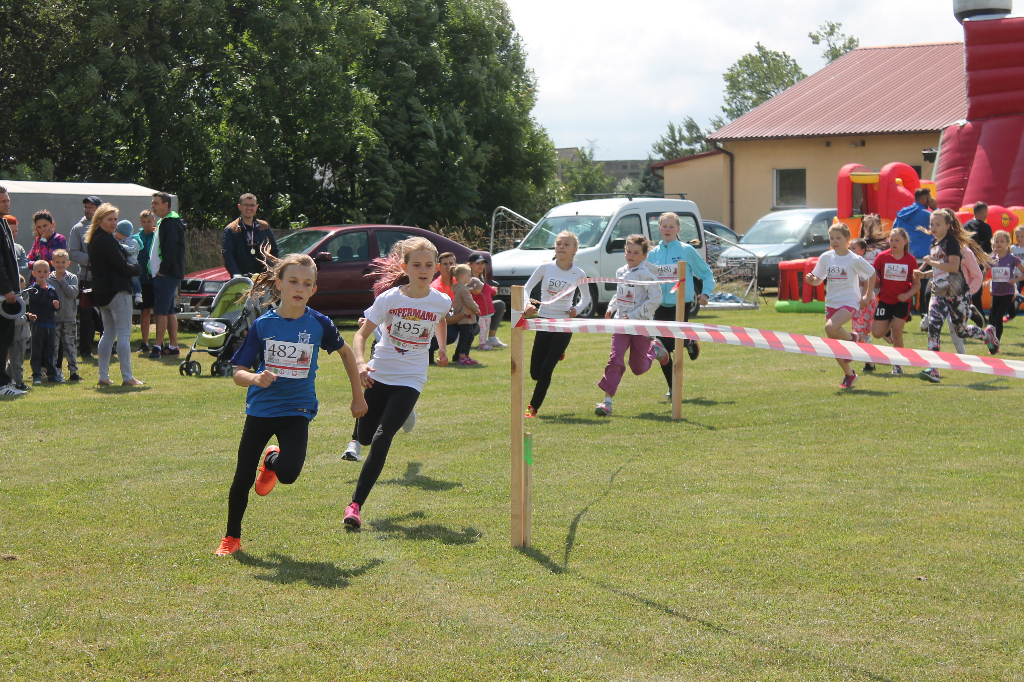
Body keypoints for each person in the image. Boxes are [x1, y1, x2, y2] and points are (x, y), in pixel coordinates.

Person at [214, 252, 367, 556]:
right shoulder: (262, 325)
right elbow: (238, 373)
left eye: (307, 283)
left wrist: (358, 396)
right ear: (279, 284)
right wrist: (256, 379)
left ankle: (272, 461)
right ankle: (232, 538)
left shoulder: (319, 323)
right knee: (243, 475)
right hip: (261, 410)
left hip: (297, 411)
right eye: (293, 281)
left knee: (289, 474)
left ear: (313, 290)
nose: (299, 288)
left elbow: (347, 354)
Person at [342, 237, 451, 530]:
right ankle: (404, 413)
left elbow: (441, 319)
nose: (423, 270)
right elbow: (360, 336)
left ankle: (355, 506)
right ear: (405, 266)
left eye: (429, 265)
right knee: (364, 436)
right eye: (417, 265)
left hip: (411, 379)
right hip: (379, 375)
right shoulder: (390, 298)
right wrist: (362, 364)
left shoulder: (441, 300)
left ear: (437, 268)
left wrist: (441, 348)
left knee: (381, 438)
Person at [915, 209, 998, 383]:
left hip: (957, 293)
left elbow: (953, 267)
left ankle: (987, 336)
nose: (933, 227)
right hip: (939, 293)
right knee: (933, 327)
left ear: (947, 225)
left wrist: (930, 262)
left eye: (938, 224)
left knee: (961, 330)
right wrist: (923, 275)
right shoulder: (934, 244)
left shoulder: (952, 243)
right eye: (932, 224)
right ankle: (934, 369)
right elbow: (940, 269)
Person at [594, 234, 667, 416]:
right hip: (621, 324)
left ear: (644, 255)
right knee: (615, 357)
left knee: (638, 368)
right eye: (628, 251)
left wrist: (634, 315)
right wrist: (611, 309)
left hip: (641, 326)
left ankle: (655, 349)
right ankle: (607, 402)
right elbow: (620, 294)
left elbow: (656, 299)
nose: (631, 255)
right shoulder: (620, 272)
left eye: (636, 252)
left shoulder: (647, 275)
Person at [522, 231, 591, 417]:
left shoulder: (579, 274)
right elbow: (526, 289)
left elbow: (586, 298)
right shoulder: (545, 268)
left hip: (564, 324)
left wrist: (576, 309)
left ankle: (533, 407)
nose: (561, 247)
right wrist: (526, 304)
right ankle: (558, 352)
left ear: (574, 250)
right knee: (535, 373)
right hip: (544, 321)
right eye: (559, 243)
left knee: (546, 369)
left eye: (566, 244)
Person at [646, 211, 714, 397]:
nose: (668, 229)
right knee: (662, 349)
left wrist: (705, 293)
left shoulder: (686, 250)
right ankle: (672, 387)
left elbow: (706, 273)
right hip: (659, 306)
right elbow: (646, 280)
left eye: (671, 226)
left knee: (670, 343)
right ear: (659, 228)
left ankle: (688, 340)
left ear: (678, 229)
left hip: (680, 304)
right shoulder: (653, 254)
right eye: (664, 226)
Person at [805, 223, 876, 389]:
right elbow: (818, 280)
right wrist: (811, 280)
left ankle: (854, 339)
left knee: (830, 327)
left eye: (838, 238)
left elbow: (871, 273)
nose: (834, 241)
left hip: (849, 301)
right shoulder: (826, 257)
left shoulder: (854, 259)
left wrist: (866, 296)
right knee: (834, 342)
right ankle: (849, 375)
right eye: (832, 238)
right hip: (832, 302)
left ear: (847, 239)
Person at [86, 203, 144, 387]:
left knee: (108, 333)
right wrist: (138, 268)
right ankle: (127, 377)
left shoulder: (94, 239)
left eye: (115, 219)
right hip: (117, 292)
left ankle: (103, 376)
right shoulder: (107, 240)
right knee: (123, 334)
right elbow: (122, 267)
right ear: (99, 220)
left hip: (103, 294)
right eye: (109, 219)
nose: (113, 223)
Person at [870, 228, 920, 375]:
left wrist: (907, 295)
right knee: (877, 333)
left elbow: (917, 284)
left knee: (898, 333)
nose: (893, 243)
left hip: (902, 301)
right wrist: (873, 283)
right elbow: (872, 274)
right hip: (885, 300)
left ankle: (898, 365)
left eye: (897, 240)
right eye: (891, 240)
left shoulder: (910, 260)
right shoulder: (882, 257)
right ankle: (889, 325)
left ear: (905, 242)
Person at [149, 192, 186, 358]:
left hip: (167, 274)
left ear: (166, 204)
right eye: (152, 203)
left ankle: (157, 346)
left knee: (161, 311)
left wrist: (163, 271)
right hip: (166, 273)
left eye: (156, 203)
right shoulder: (165, 221)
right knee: (169, 310)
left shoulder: (170, 223)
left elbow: (170, 250)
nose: (153, 206)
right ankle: (173, 346)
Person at [0, 188, 28, 396]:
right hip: (3, 293)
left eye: (7, 200)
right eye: (2, 201)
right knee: (2, 337)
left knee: (6, 336)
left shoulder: (3, 223)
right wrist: (7, 289)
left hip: (8, 290)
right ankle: (2, 385)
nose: (6, 204)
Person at [67, 196, 102, 359]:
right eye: (86, 207)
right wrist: (91, 261)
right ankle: (85, 349)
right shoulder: (78, 229)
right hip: (86, 277)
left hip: (104, 277)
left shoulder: (105, 226)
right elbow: (72, 251)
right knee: (86, 314)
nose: (87, 210)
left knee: (107, 311)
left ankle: (108, 344)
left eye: (91, 207)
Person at [222, 193, 279, 277]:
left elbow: (274, 251)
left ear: (256, 207)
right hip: (243, 278)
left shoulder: (264, 226)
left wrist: (273, 270)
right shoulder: (232, 229)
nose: (249, 208)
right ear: (239, 207)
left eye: (252, 205)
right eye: (246, 205)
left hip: (264, 278)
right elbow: (227, 255)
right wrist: (236, 275)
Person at [25, 260, 61, 385]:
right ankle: (36, 375)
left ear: (49, 273)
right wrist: (42, 288)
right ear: (34, 273)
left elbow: (54, 306)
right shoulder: (33, 289)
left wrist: (56, 306)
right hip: (38, 324)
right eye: (39, 271)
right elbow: (39, 301)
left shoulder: (52, 289)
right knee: (36, 350)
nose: (42, 274)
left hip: (50, 324)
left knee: (50, 350)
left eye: (45, 272)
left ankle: (52, 374)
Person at [986, 230, 1024, 342]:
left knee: (998, 317)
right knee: (991, 317)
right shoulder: (992, 258)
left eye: (1002, 241)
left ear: (1008, 243)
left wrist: (1015, 280)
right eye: (996, 241)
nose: (999, 243)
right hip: (996, 292)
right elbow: (985, 272)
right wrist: (984, 281)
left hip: (1008, 292)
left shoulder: (1012, 258)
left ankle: (996, 342)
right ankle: (989, 338)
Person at [49, 249, 81, 382]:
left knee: (70, 345)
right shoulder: (49, 279)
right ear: (52, 263)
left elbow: (73, 293)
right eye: (57, 262)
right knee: (54, 346)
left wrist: (62, 281)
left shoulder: (72, 278)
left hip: (69, 317)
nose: (60, 265)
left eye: (63, 262)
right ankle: (55, 371)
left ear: (68, 263)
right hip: (54, 319)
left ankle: (73, 372)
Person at [428, 252, 463, 363]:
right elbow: (440, 318)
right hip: (435, 321)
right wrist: (463, 314)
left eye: (451, 263)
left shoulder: (460, 282)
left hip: (453, 316)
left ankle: (461, 356)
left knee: (471, 324)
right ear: (439, 267)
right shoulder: (435, 287)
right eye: (445, 264)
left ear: (456, 265)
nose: (448, 267)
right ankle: (428, 349)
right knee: (451, 335)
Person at [963, 202, 994, 325]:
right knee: (977, 288)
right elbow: (988, 248)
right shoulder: (986, 227)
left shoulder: (965, 225)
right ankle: (979, 316)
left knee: (965, 286)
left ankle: (969, 313)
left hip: (965, 261)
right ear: (982, 212)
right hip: (978, 261)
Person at [467, 253, 506, 348]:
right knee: (480, 328)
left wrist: (490, 290)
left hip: (483, 311)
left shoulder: (481, 277)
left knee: (500, 304)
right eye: (478, 263)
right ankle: (462, 337)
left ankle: (491, 339)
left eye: (483, 263)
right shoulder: (466, 277)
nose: (481, 266)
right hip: (471, 312)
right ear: (470, 264)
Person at [134, 210, 158, 352]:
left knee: (159, 311)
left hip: (156, 278)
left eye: (149, 221)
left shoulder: (158, 236)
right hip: (142, 280)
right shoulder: (136, 238)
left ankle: (159, 342)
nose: (147, 224)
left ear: (153, 221)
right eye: (144, 222)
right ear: (140, 223)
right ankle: (144, 343)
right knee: (145, 311)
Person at [450, 263, 480, 365]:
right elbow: (469, 302)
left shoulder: (462, 288)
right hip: (465, 318)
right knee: (465, 337)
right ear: (462, 276)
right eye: (469, 275)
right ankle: (462, 358)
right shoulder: (463, 289)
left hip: (468, 318)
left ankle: (466, 356)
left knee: (470, 336)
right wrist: (477, 309)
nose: (470, 277)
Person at [5, 276, 30, 391]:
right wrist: (27, 317)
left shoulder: (20, 299)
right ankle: (19, 383)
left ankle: (8, 380)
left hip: (22, 334)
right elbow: (13, 320)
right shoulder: (8, 303)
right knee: (17, 361)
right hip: (16, 336)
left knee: (14, 361)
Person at [114, 220, 142, 304]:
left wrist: (121, 246)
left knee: (134, 279)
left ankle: (138, 293)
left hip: (132, 264)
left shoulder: (133, 241)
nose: (115, 233)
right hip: (124, 265)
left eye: (117, 232)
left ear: (122, 233)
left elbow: (131, 250)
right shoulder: (117, 240)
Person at [5, 215, 29, 283]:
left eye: (16, 231)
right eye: (11, 232)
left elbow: (24, 270)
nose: (15, 235)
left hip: (17, 287)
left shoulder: (19, 249)